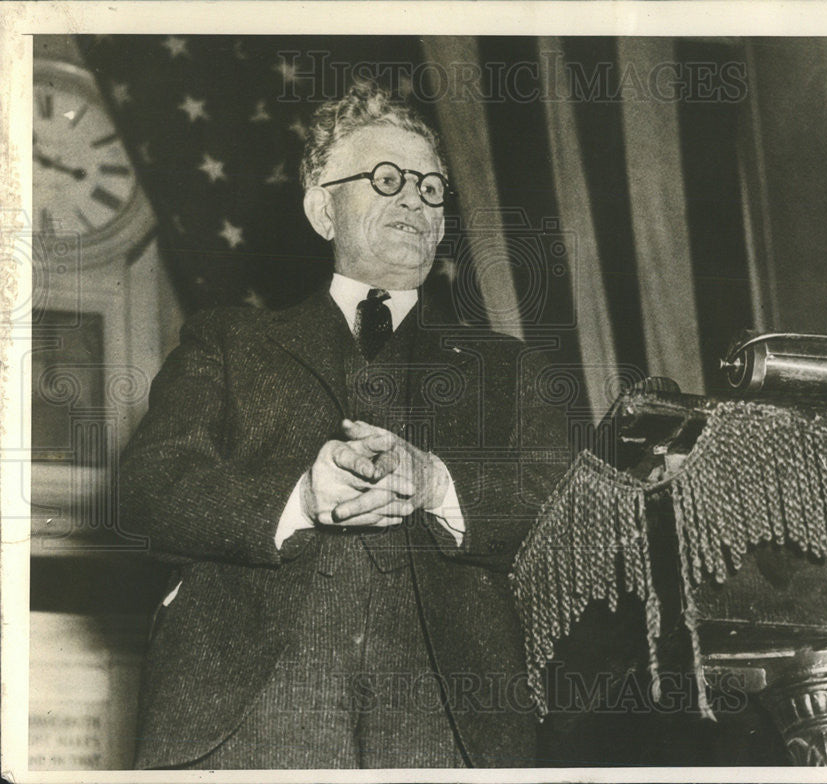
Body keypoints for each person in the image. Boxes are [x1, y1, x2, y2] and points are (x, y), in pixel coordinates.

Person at [120, 83, 569, 769]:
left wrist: (440, 484)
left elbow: (567, 510)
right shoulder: (228, 340)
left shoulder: (512, 368)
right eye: (387, 179)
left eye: (429, 187)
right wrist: (298, 496)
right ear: (322, 209)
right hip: (243, 725)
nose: (415, 199)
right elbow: (148, 490)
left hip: (453, 734)